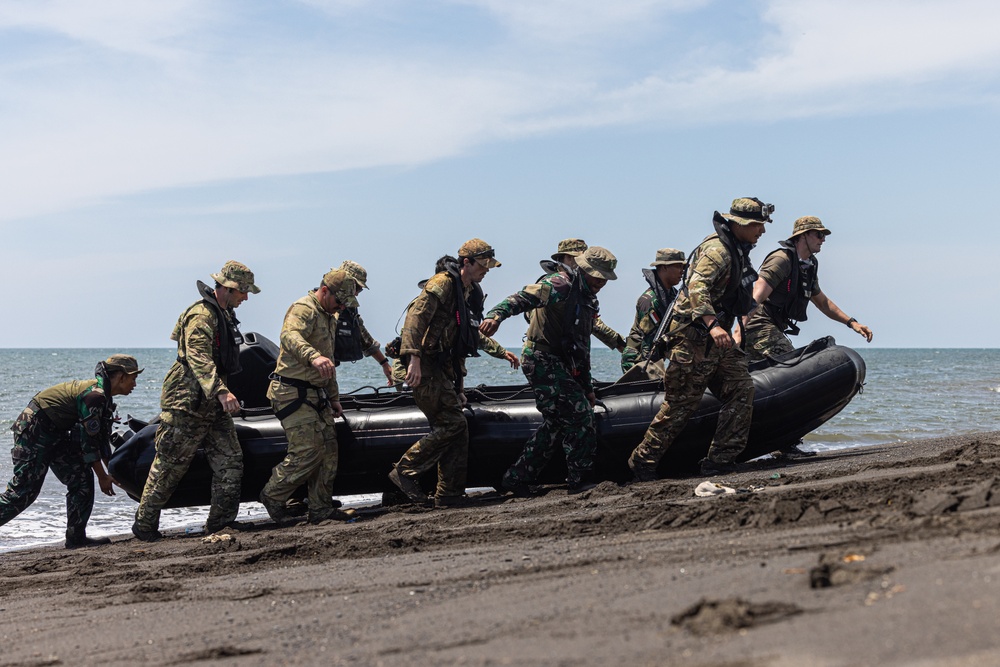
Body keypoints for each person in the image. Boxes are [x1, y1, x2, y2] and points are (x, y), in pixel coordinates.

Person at [627, 198, 770, 482]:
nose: (761, 232)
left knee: (741, 390)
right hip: (694, 339)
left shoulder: (738, 251)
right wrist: (713, 325)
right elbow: (697, 287)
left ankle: (720, 460)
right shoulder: (718, 252)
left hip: (716, 341)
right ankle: (642, 462)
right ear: (739, 224)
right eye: (757, 225)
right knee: (680, 405)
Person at [132, 260, 260, 541]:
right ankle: (144, 526)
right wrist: (222, 391)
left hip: (211, 405)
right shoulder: (202, 315)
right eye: (243, 292)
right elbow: (198, 357)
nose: (246, 298)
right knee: (169, 466)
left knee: (230, 461)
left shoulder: (223, 315)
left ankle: (220, 523)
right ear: (228, 288)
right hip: (186, 403)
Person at [480, 245, 619, 495]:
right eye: (597, 275)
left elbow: (581, 347)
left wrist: (586, 387)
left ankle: (517, 478)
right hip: (542, 358)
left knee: (555, 424)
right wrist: (496, 316)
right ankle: (581, 480)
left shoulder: (587, 298)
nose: (601, 282)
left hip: (562, 361)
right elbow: (523, 297)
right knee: (579, 416)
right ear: (584, 268)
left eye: (605, 278)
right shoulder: (560, 285)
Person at [388, 239, 501, 508]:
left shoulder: (468, 293)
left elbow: (458, 346)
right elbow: (416, 318)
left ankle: (449, 493)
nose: (486, 270)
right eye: (483, 265)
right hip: (424, 365)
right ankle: (405, 470)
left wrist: (459, 387)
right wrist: (413, 357)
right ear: (466, 263)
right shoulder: (443, 283)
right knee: (452, 424)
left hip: (441, 368)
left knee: (457, 429)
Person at [0, 355, 142, 548]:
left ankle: (76, 538)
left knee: (81, 480)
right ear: (121, 377)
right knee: (23, 493)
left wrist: (111, 472)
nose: (135, 383)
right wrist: (102, 476)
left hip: (55, 433)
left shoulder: (105, 399)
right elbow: (88, 443)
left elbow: (100, 438)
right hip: (34, 431)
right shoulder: (95, 396)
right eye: (133, 377)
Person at [258, 268, 359, 525]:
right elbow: (289, 336)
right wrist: (312, 356)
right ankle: (273, 495)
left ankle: (321, 508)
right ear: (324, 291)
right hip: (291, 392)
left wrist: (334, 397)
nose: (340, 308)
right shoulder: (303, 309)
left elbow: (329, 361)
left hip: (317, 393)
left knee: (329, 450)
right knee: (307, 451)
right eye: (338, 301)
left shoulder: (329, 316)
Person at [740, 216, 874, 360]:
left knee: (747, 376)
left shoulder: (808, 266)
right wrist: (739, 330)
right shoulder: (782, 260)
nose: (823, 240)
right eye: (819, 235)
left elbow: (822, 302)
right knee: (791, 364)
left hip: (775, 326)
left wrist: (852, 323)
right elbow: (756, 296)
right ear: (803, 235)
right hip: (758, 325)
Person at [386, 257, 519, 389]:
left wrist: (500, 352)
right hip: (410, 369)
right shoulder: (429, 303)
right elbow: (413, 333)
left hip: (436, 366)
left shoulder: (457, 304)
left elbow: (469, 336)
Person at [545, 239, 625, 352]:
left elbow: (593, 322)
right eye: (573, 258)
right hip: (549, 359)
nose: (578, 263)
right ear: (562, 259)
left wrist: (619, 343)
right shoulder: (554, 285)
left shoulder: (581, 289)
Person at [621, 248, 686, 373]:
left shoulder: (672, 296)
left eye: (683, 267)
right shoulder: (650, 300)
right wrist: (651, 369)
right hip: (637, 360)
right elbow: (648, 343)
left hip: (654, 357)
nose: (682, 271)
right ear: (663, 268)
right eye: (678, 266)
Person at [334, 260, 395, 386]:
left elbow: (364, 337)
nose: (356, 293)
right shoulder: (318, 308)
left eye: (359, 290)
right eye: (356, 288)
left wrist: (384, 364)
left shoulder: (349, 309)